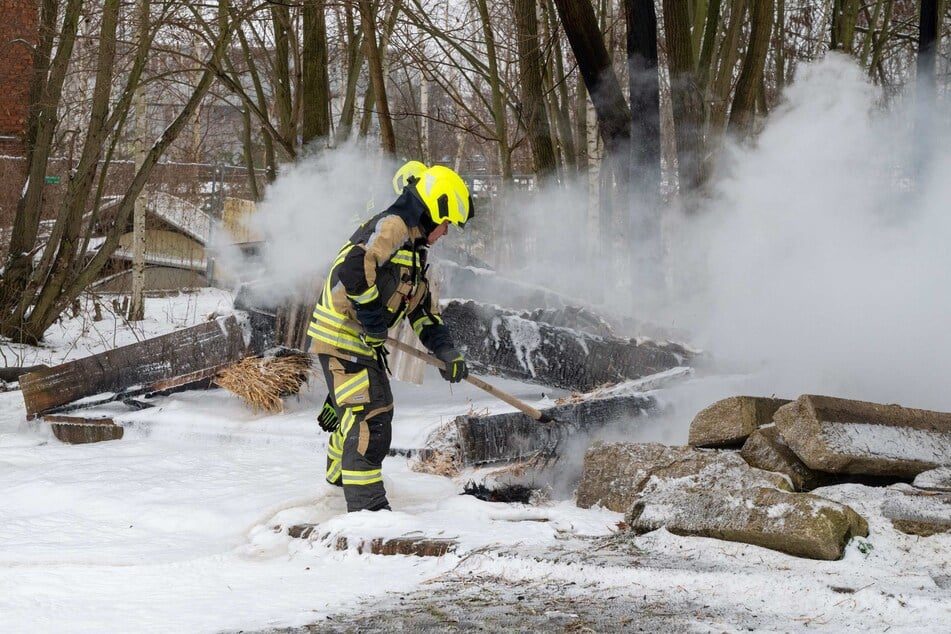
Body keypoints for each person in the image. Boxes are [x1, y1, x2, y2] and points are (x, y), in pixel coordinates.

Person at [308, 163, 473, 512]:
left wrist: (446, 351)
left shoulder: (414, 251)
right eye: (447, 224)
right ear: (435, 209)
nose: (446, 233)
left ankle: (337, 489)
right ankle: (367, 511)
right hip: (343, 335)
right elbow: (353, 269)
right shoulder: (393, 226)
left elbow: (423, 313)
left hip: (358, 343)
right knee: (373, 416)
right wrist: (371, 319)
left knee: (360, 412)